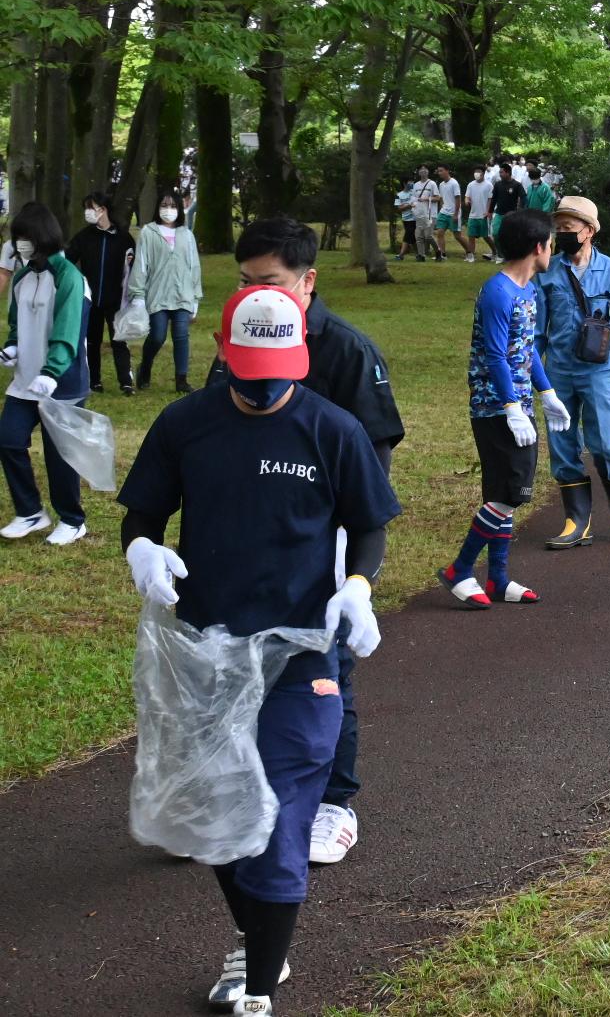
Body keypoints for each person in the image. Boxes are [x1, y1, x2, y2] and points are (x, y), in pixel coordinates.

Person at [119, 284, 399, 1017]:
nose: (261, 388)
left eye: (275, 372)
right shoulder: (185, 425)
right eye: (247, 372)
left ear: (299, 358)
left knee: (276, 812)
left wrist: (360, 586)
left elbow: (369, 523)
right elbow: (143, 512)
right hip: (209, 648)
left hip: (303, 652)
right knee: (216, 811)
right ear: (222, 352)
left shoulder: (331, 430)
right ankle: (256, 934)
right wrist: (143, 549)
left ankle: (257, 988)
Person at [195, 217, 405, 867]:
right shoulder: (238, 337)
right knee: (238, 665)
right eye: (244, 281)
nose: (254, 293)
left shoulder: (344, 350)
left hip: (324, 538)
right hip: (247, 541)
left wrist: (344, 552)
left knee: (325, 670)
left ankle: (334, 802)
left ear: (307, 282)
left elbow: (372, 452)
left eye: (270, 282)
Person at [439, 209, 569, 609]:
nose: (553, 249)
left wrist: (547, 394)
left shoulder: (527, 290)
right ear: (538, 247)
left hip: (518, 404)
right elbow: (495, 355)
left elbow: (524, 349)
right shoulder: (497, 292)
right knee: (510, 493)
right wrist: (511, 405)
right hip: (494, 408)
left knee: (505, 493)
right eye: (551, 242)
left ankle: (497, 577)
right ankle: (460, 569)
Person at [535, 196, 610, 550]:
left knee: (605, 442)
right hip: (558, 373)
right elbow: (538, 332)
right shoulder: (548, 273)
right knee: (562, 446)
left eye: (569, 229)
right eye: (558, 229)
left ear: (588, 231)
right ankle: (577, 520)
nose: (562, 234)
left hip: (600, 373)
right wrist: (529, 373)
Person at [2, 202, 90, 546]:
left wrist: (52, 371)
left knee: (59, 456)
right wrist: (12, 347)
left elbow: (70, 329)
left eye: (26, 237)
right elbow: (16, 321)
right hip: (24, 382)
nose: (20, 244)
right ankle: (30, 511)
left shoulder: (68, 277)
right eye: (17, 238)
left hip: (61, 383)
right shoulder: (23, 276)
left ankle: (72, 519)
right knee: (8, 440)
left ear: (43, 237)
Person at [131, 187, 202, 393]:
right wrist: (138, 294)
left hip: (183, 294)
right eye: (164, 205)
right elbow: (141, 264)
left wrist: (196, 296)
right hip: (158, 294)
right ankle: (145, 368)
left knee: (181, 335)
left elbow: (194, 265)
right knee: (158, 336)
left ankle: (181, 379)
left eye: (172, 206)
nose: (168, 210)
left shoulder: (186, 235)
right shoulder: (148, 232)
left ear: (179, 209)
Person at [70, 191, 135, 394]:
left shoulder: (124, 238)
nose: (88, 212)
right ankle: (94, 380)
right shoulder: (83, 237)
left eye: (91, 208)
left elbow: (134, 268)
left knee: (119, 339)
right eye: (86, 209)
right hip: (92, 297)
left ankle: (126, 381)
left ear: (103, 209)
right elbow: (68, 259)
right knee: (92, 340)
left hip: (116, 299)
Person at [463, 165, 495, 261]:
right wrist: (466, 201)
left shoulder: (489, 185)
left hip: (483, 215)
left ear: (483, 173)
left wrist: (488, 211)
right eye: (475, 171)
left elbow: (490, 199)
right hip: (473, 215)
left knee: (486, 236)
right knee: (471, 236)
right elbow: (467, 196)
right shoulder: (471, 185)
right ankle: (471, 255)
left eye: (479, 171)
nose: (477, 173)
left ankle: (495, 252)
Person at [433, 166, 462, 257]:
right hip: (443, 212)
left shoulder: (454, 183)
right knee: (439, 232)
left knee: (457, 236)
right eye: (438, 171)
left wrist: (456, 214)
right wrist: (441, 209)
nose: (439, 173)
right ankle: (442, 254)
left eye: (441, 171)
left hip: (453, 212)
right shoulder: (441, 184)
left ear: (447, 171)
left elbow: (458, 199)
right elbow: (441, 198)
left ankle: (469, 252)